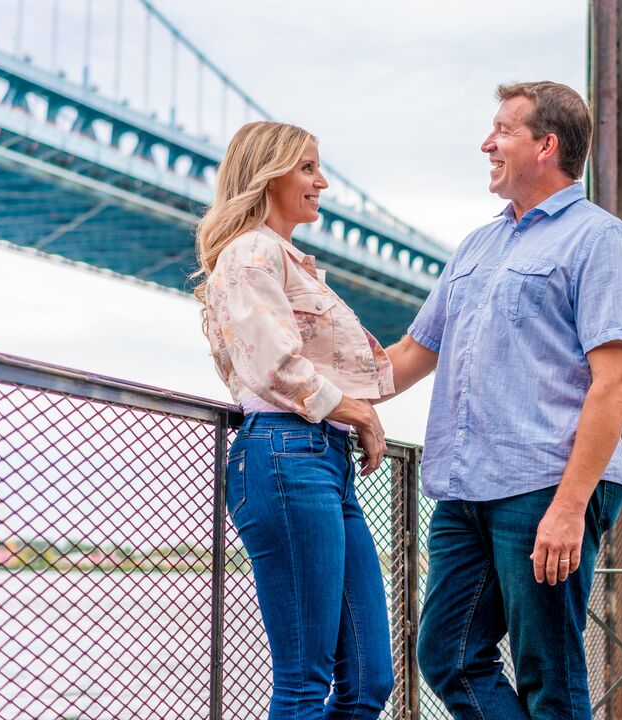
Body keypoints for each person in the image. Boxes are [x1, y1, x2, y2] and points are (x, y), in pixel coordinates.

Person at [381, 81, 622, 718]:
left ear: (545, 145)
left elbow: (616, 381)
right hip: (464, 489)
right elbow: (411, 356)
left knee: (548, 677)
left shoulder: (599, 240)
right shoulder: (477, 245)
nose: (486, 142)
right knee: (446, 655)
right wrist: (309, 377)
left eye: (502, 130)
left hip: (544, 485)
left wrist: (569, 507)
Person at [193, 121, 395, 719]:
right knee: (304, 682)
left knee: (367, 682)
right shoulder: (250, 252)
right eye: (307, 168)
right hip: (285, 459)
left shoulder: (290, 261)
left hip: (323, 463)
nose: (322, 182)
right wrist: (356, 411)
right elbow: (270, 361)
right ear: (267, 174)